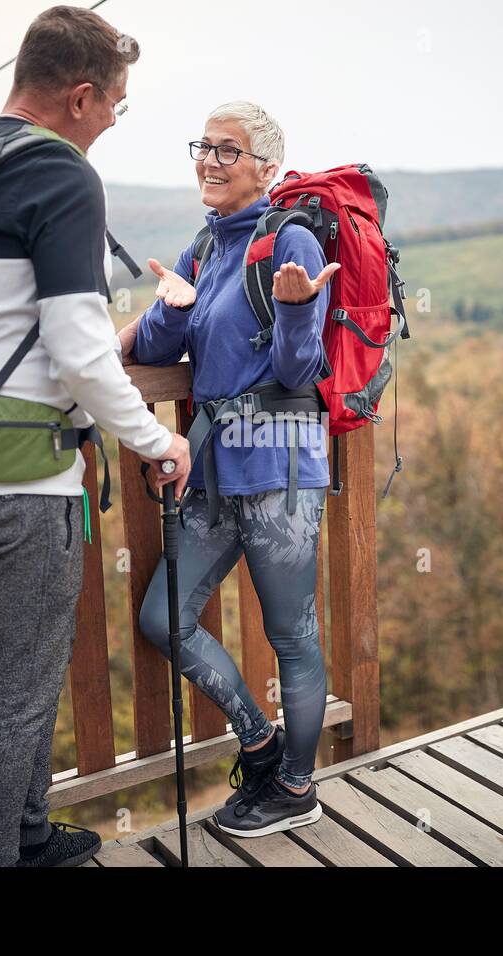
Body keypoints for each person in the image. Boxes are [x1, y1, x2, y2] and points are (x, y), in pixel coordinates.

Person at [0, 6, 191, 867]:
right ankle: (1, 856)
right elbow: (79, 346)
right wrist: (157, 442)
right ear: (80, 97)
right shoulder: (61, 174)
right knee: (16, 691)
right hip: (20, 475)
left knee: (24, 674)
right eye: (116, 103)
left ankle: (32, 833)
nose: (113, 119)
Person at [118, 101, 338, 837]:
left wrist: (301, 312)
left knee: (292, 636)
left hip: (280, 474)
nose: (209, 161)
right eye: (203, 147)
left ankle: (297, 791)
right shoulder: (205, 249)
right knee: (164, 619)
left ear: (266, 168)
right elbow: (155, 347)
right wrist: (163, 313)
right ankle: (261, 742)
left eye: (228, 150)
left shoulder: (291, 240)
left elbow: (298, 367)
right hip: (213, 472)